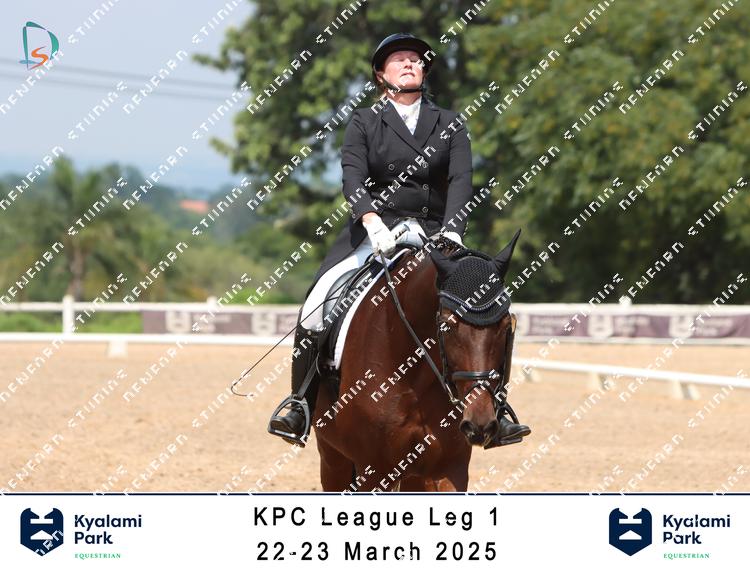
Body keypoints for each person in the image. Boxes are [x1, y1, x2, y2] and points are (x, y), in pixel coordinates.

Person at [268, 33, 530, 448]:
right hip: (375, 233)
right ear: (380, 74)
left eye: (416, 59)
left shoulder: (449, 123)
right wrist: (371, 220)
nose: (410, 63)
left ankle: (498, 407)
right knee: (316, 306)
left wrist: (453, 228)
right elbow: (352, 177)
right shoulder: (364, 121)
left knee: (488, 306)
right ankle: (300, 405)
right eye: (399, 59)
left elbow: (462, 179)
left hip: (436, 233)